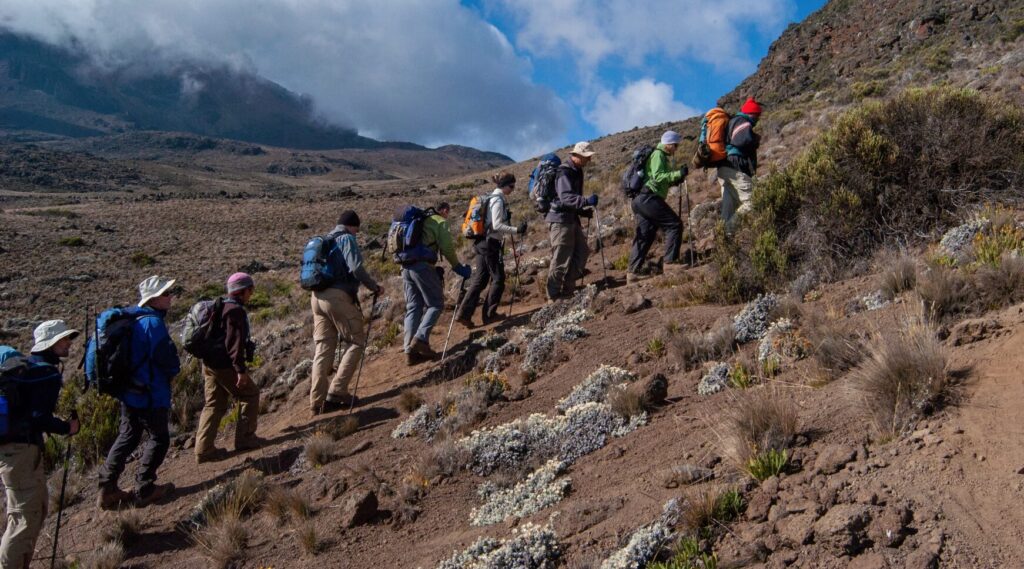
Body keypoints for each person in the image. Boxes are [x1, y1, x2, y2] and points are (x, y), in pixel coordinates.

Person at [0, 321, 80, 568]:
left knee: (29, 512)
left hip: (15, 451)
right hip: (21, 451)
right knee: (25, 517)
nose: (68, 343)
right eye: (64, 339)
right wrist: (68, 428)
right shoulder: (45, 373)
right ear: (52, 344)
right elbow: (38, 417)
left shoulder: (28, 369)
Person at [97, 275, 181, 510]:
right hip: (149, 391)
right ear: (153, 299)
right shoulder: (152, 323)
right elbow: (165, 358)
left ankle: (107, 487)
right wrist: (174, 370)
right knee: (160, 437)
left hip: (128, 390)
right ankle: (145, 488)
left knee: (128, 435)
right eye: (165, 294)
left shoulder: (132, 319)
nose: (170, 297)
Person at [310, 210, 383, 414]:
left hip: (316, 297)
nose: (357, 234)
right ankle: (338, 391)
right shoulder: (346, 239)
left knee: (323, 348)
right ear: (352, 226)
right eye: (356, 230)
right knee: (357, 340)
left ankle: (317, 402)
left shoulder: (326, 239)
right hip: (337, 297)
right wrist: (373, 286)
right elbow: (356, 268)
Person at [195, 273, 263, 464]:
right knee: (250, 394)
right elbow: (234, 344)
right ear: (243, 291)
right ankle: (246, 438)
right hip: (224, 365)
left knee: (213, 404)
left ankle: (204, 450)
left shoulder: (221, 306)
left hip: (209, 363)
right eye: (251, 290)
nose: (252, 294)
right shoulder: (235, 311)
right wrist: (240, 371)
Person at [401, 202, 471, 365]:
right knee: (436, 304)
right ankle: (420, 339)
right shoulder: (440, 222)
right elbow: (447, 247)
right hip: (422, 266)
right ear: (444, 210)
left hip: (405, 267)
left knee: (414, 306)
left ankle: (409, 351)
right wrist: (458, 267)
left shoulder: (420, 220)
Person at [456, 171, 527, 328]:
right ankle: (489, 315)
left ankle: (464, 314)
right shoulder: (497, 201)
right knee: (498, 278)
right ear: (504, 186)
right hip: (490, 244)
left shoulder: (492, 198)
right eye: (512, 186)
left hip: (482, 243)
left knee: (480, 279)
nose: (513, 189)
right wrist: (517, 229)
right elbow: (496, 225)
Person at [627, 131, 688, 283]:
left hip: (640, 199)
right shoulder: (658, 155)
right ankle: (669, 263)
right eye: (675, 145)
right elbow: (659, 176)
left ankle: (633, 273)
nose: (676, 148)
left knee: (646, 235)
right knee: (674, 225)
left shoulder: (658, 155)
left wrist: (675, 179)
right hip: (649, 198)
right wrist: (678, 173)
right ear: (668, 144)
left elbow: (659, 179)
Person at [545, 142, 599, 301]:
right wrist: (585, 201)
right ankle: (553, 296)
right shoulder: (564, 172)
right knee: (561, 258)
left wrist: (582, 210)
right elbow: (566, 197)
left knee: (582, 253)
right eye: (586, 157)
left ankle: (568, 289)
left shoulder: (577, 170)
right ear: (577, 156)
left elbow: (569, 199)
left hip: (571, 218)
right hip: (560, 220)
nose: (588, 160)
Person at [717, 97, 762, 225]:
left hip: (723, 168)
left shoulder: (732, 121)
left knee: (729, 208)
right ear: (753, 114)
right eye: (757, 115)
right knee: (752, 202)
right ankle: (728, 231)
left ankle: (724, 238)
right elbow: (742, 140)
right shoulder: (743, 121)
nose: (758, 119)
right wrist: (755, 139)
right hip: (735, 167)